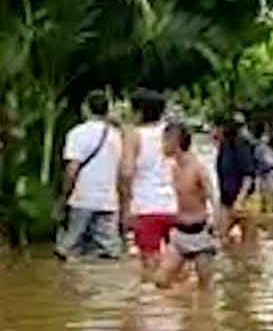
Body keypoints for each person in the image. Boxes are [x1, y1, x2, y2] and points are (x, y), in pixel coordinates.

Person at [55, 91, 124, 260]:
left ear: (86, 109)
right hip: (109, 201)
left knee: (68, 249)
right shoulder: (116, 136)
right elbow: (122, 170)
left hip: (82, 199)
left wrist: (63, 196)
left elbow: (72, 169)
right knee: (109, 252)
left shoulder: (77, 133)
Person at [119, 89, 177, 277]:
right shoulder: (173, 133)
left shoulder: (134, 136)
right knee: (178, 262)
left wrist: (125, 206)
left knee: (149, 262)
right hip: (175, 205)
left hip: (146, 206)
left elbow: (127, 172)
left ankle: (152, 304)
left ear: (139, 112)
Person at [157, 121, 217, 291]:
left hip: (201, 234)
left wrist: (217, 228)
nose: (162, 145)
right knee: (161, 281)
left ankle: (201, 315)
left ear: (175, 141)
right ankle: (183, 307)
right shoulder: (174, 168)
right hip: (179, 234)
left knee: (206, 288)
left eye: (164, 140)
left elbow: (213, 198)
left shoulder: (198, 168)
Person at [214, 116, 260, 245]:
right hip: (227, 200)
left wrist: (239, 200)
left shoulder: (241, 145)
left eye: (215, 128)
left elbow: (248, 175)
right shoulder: (224, 147)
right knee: (220, 238)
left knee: (249, 243)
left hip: (245, 201)